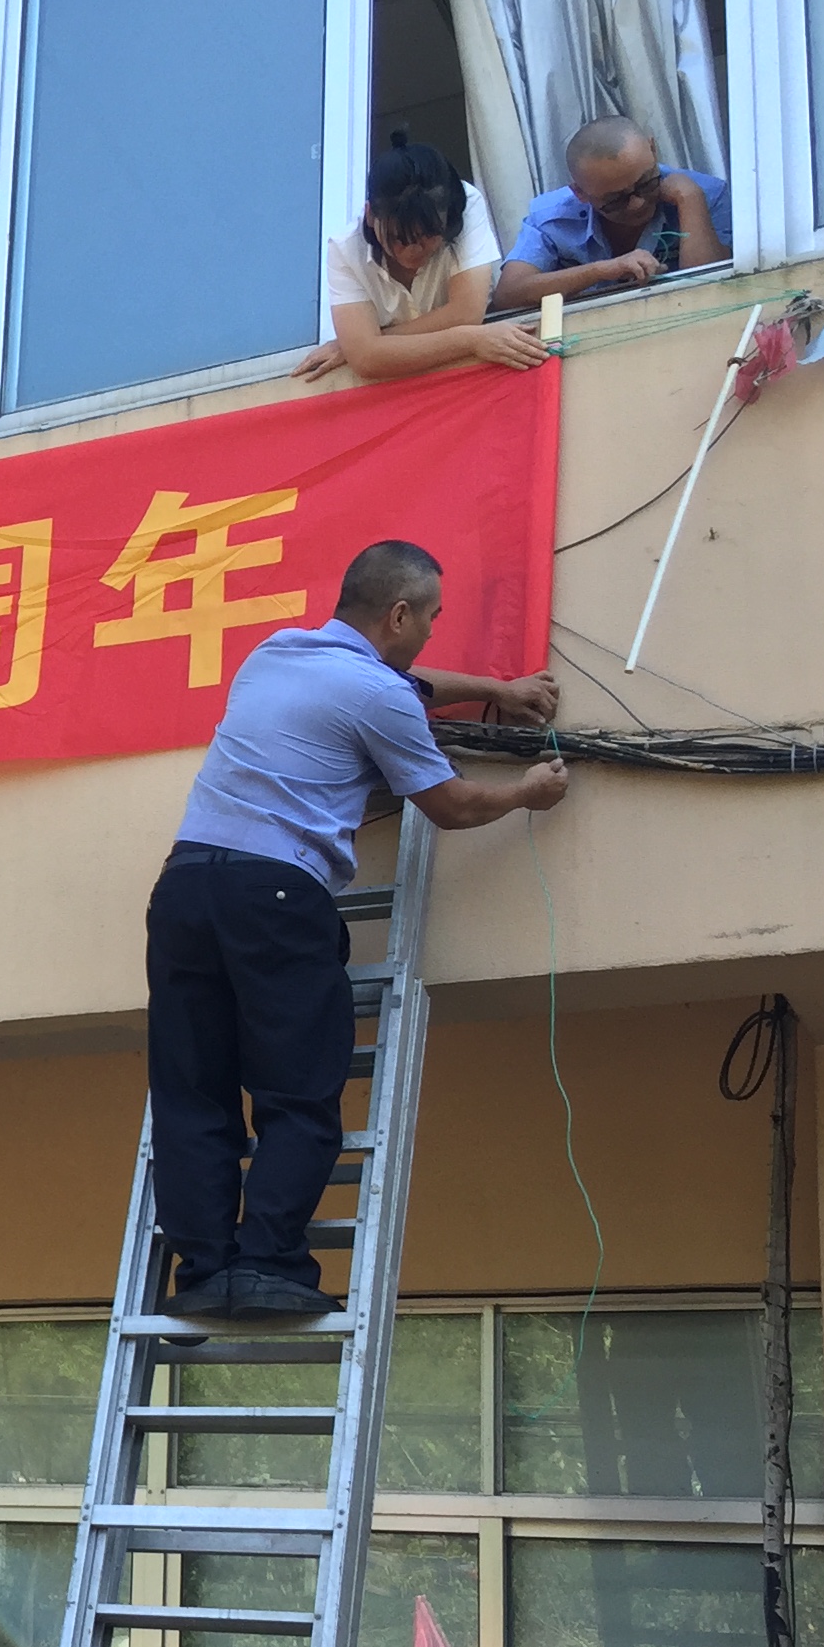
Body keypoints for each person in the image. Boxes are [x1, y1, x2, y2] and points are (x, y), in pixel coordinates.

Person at [150, 542, 567, 1320]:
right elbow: (449, 804)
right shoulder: (379, 696)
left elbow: (407, 683)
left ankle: (204, 1272)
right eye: (430, 617)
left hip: (184, 889)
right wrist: (526, 793)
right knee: (296, 1089)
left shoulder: (275, 653)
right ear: (399, 614)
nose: (433, 631)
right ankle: (266, 1263)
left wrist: (494, 689)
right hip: (276, 895)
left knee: (193, 1090)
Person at [292, 141, 552, 384]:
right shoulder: (345, 249)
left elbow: (466, 313)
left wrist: (363, 344)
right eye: (397, 238)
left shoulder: (466, 204)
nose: (412, 251)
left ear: (449, 217)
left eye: (429, 235)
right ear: (370, 215)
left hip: (471, 374)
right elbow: (366, 360)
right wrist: (471, 340)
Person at [489, 115, 732, 312]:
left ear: (653, 150)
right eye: (616, 200)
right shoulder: (551, 217)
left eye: (646, 184)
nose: (637, 204)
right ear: (580, 192)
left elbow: (715, 290)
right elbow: (508, 296)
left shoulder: (705, 193)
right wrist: (603, 270)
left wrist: (690, 201)